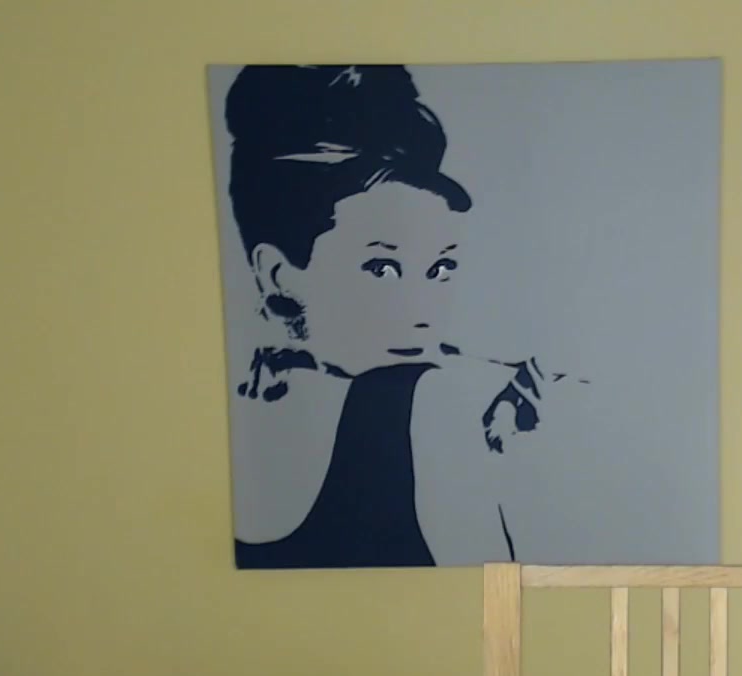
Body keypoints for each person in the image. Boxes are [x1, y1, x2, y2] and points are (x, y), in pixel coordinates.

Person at [219, 64, 571, 569]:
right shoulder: (429, 403)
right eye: (382, 269)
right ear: (279, 274)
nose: (422, 312)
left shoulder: (453, 399)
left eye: (441, 268)